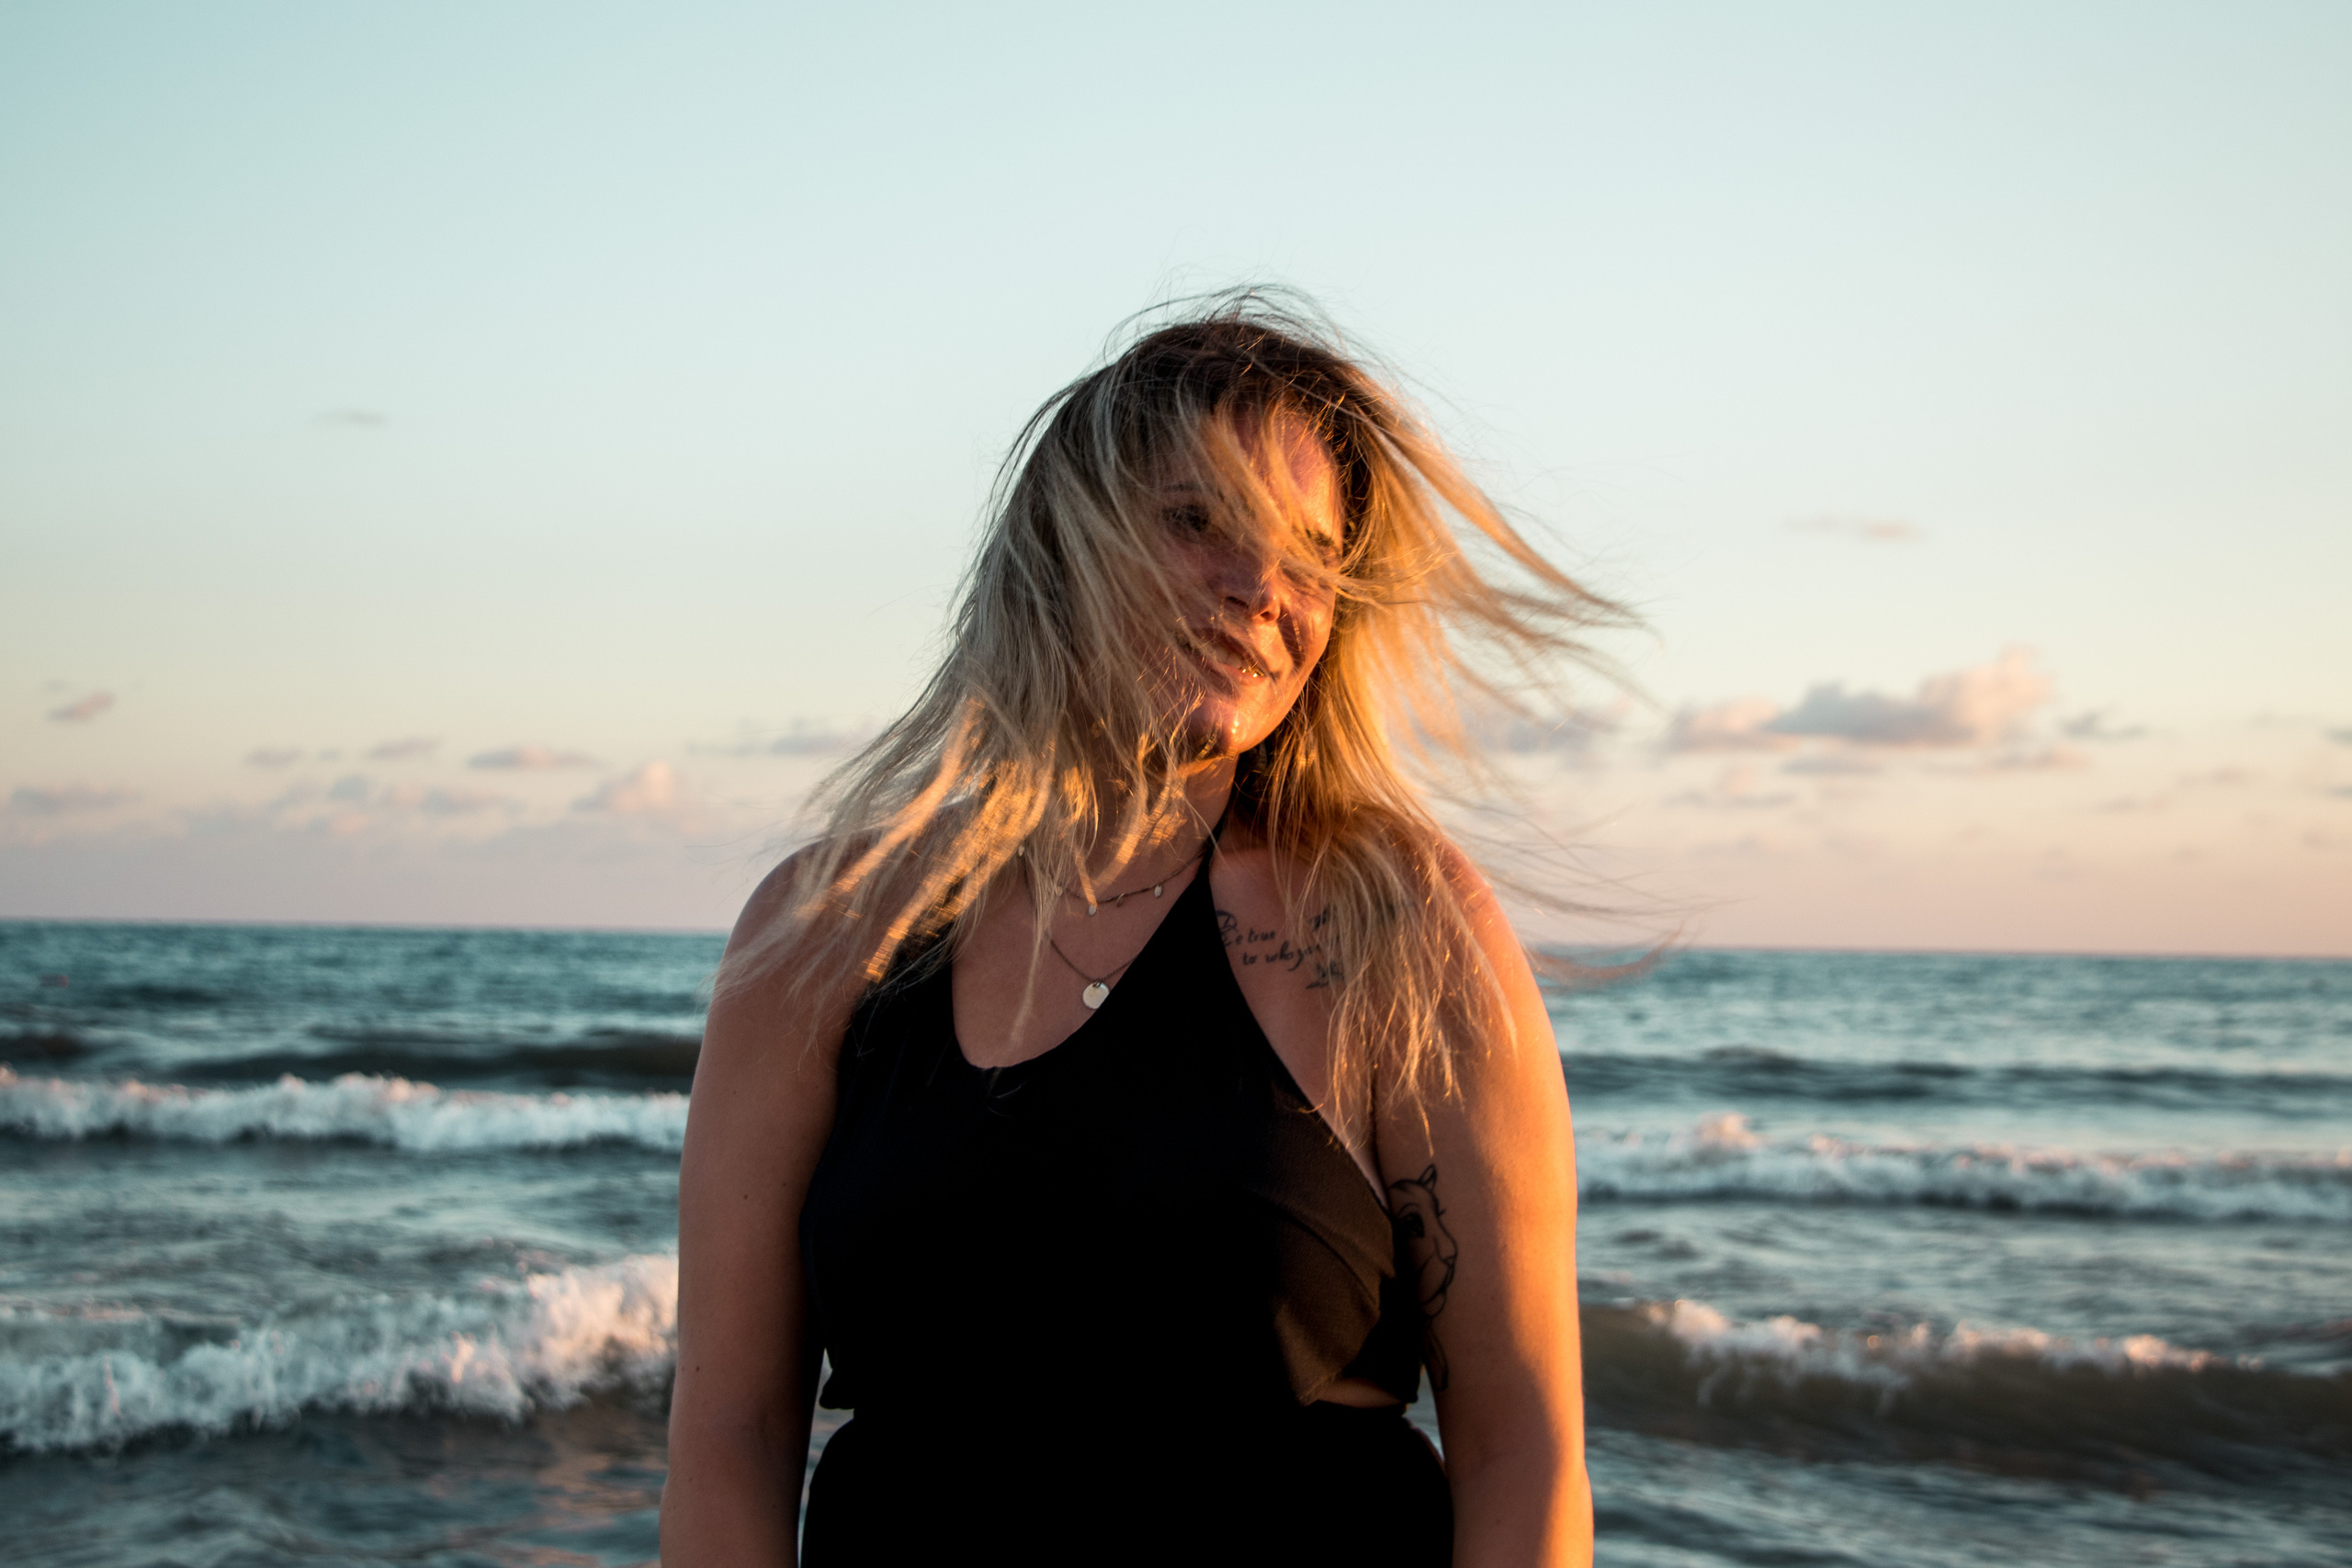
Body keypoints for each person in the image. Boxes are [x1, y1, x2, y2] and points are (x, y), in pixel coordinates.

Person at [661, 297, 1611, 1567]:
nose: (1261, 591)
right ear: (1065, 544)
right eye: (1197, 521)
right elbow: (730, 1435)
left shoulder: (1397, 928)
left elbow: (1520, 1454)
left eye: (1309, 557)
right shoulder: (823, 934)